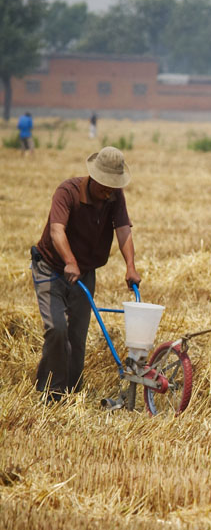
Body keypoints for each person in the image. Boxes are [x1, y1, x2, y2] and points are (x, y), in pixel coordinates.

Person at [30, 146, 141, 403]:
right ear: (93, 177)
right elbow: (57, 231)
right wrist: (70, 261)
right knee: (57, 329)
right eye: (105, 185)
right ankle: (51, 393)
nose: (109, 191)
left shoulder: (114, 196)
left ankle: (72, 390)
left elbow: (123, 230)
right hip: (51, 268)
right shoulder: (67, 192)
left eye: (114, 186)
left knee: (77, 335)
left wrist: (131, 267)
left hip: (85, 271)